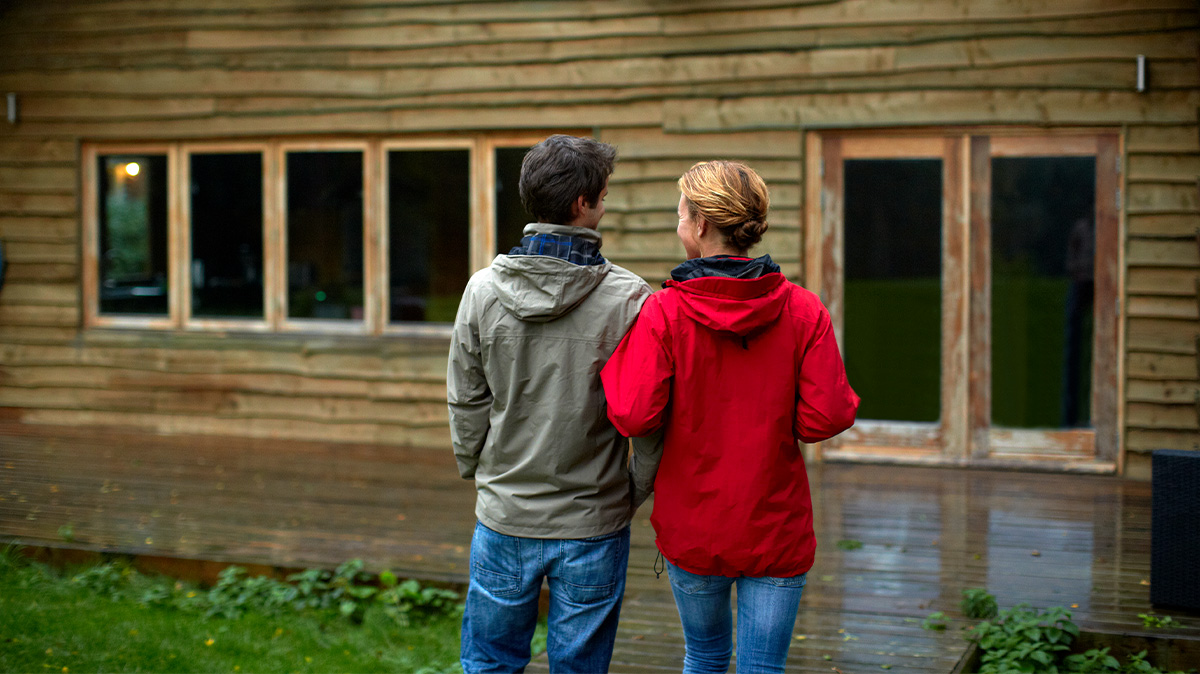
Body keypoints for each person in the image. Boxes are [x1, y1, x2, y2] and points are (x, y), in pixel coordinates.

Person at [601, 160, 860, 674]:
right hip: (776, 528)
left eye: (680, 215)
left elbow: (632, 414)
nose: (679, 226)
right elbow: (823, 418)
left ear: (699, 225)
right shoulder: (804, 311)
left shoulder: (664, 313)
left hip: (694, 530)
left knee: (704, 657)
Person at [447, 134, 652, 673]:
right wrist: (635, 489)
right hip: (593, 521)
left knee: (489, 664)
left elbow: (465, 399)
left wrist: (478, 468)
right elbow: (649, 415)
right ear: (581, 204)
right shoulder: (632, 299)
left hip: (505, 514)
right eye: (603, 196)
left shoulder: (481, 290)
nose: (604, 206)